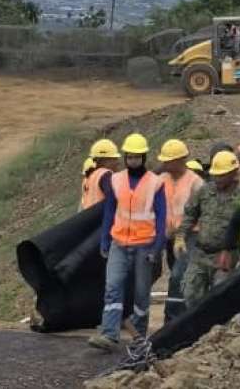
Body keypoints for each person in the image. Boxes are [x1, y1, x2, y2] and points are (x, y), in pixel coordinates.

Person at [88, 133, 166, 351]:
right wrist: (105, 239)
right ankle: (109, 334)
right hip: (119, 243)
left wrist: (157, 247)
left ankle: (139, 336)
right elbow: (110, 211)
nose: (132, 161)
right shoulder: (116, 179)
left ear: (144, 157)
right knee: (113, 287)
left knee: (141, 293)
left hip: (144, 245)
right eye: (129, 157)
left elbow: (161, 217)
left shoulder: (155, 183)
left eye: (136, 157)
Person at [177, 150, 240, 308]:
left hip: (225, 257)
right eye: (215, 175)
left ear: (233, 174)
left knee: (219, 298)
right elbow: (190, 214)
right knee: (190, 293)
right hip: (200, 254)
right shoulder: (205, 192)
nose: (216, 179)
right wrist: (180, 236)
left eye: (221, 175)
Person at [157, 139, 203, 321]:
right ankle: (186, 313)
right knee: (178, 275)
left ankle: (173, 319)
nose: (165, 164)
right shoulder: (161, 180)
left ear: (180, 160)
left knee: (177, 277)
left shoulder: (195, 182)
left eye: (168, 161)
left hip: (190, 236)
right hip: (169, 237)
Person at [81, 138, 121, 211]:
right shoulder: (105, 174)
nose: (117, 162)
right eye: (114, 159)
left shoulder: (87, 179)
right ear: (102, 160)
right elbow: (115, 199)